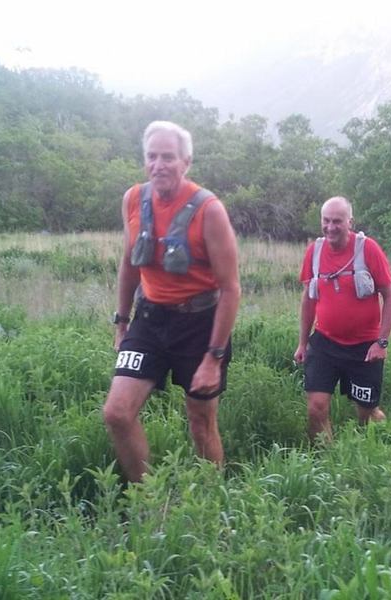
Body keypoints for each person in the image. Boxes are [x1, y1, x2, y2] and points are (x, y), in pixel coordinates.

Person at [102, 121, 240, 482]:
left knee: (200, 421)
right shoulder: (133, 199)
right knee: (117, 413)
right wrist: (121, 321)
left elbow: (230, 289)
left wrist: (214, 357)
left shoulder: (209, 210)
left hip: (200, 325)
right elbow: (130, 263)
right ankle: (147, 501)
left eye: (168, 157)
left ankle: (211, 504)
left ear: (186, 162)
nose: (158, 164)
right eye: (152, 156)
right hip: (149, 320)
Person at [294, 197, 391, 441]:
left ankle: (384, 442)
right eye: (326, 221)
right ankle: (326, 463)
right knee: (316, 407)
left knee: (366, 413)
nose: (331, 227)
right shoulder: (315, 251)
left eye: (337, 221)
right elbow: (308, 299)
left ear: (350, 222)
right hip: (325, 343)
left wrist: (381, 343)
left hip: (364, 347)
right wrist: (302, 343)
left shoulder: (368, 249)